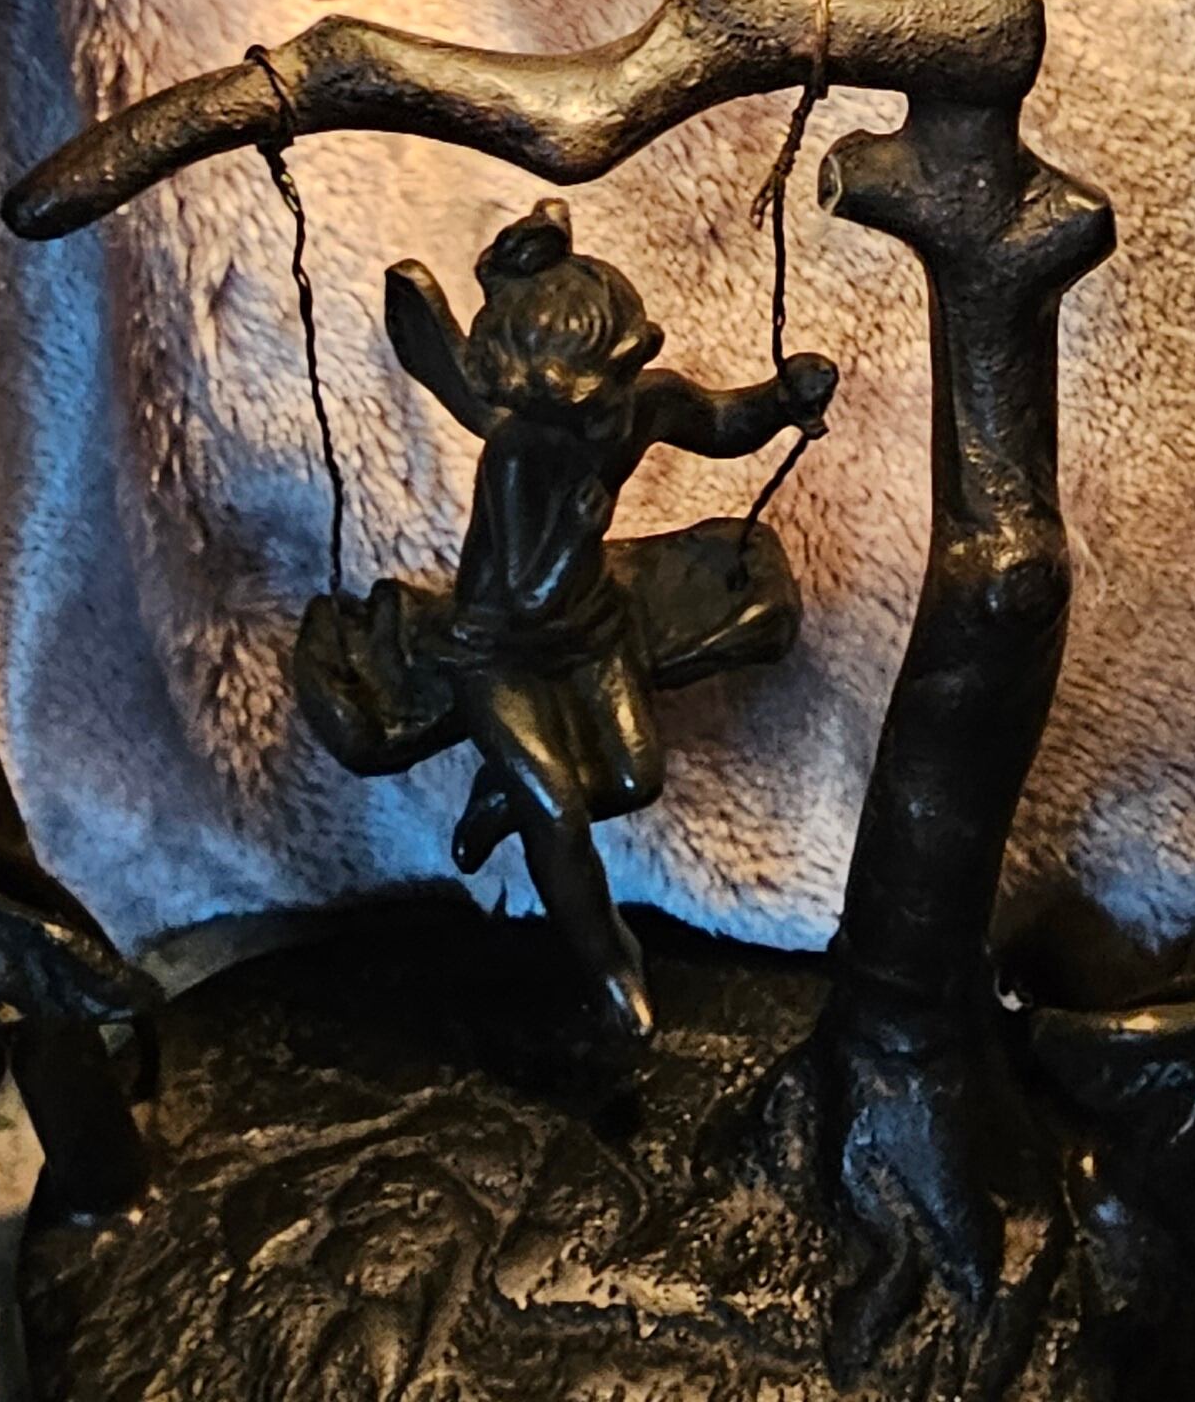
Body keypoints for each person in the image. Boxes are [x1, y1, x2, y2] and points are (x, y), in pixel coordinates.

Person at [293, 198, 834, 1044]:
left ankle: (501, 797)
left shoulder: (641, 405)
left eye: (618, 380)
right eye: (586, 401)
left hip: (592, 628)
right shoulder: (518, 454)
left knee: (634, 779)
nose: (608, 411)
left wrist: (781, 399)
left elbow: (717, 421)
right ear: (541, 399)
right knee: (559, 810)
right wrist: (581, 530)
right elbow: (521, 590)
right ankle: (611, 964)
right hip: (496, 648)